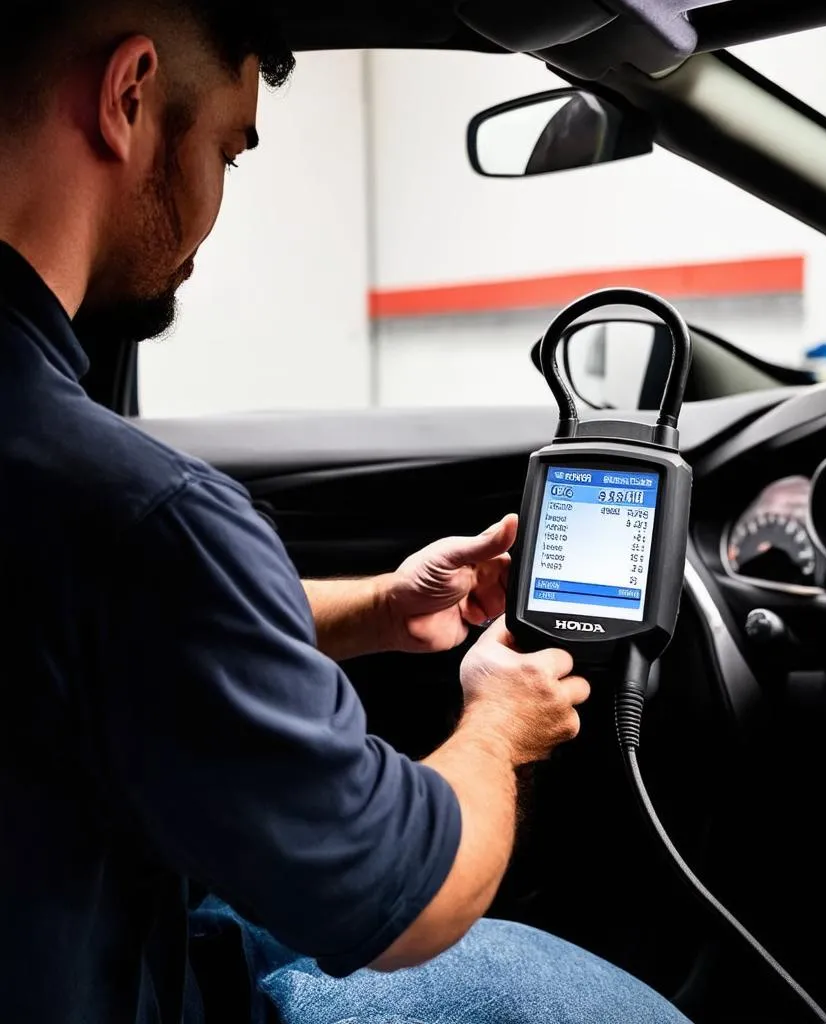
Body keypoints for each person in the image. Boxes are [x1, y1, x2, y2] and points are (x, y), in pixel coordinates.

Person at [0, 3, 693, 1023]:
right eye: (229, 154)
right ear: (130, 93)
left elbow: (77, 634)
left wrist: (371, 606)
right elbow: (408, 899)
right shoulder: (132, 510)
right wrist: (500, 725)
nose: (213, 205)